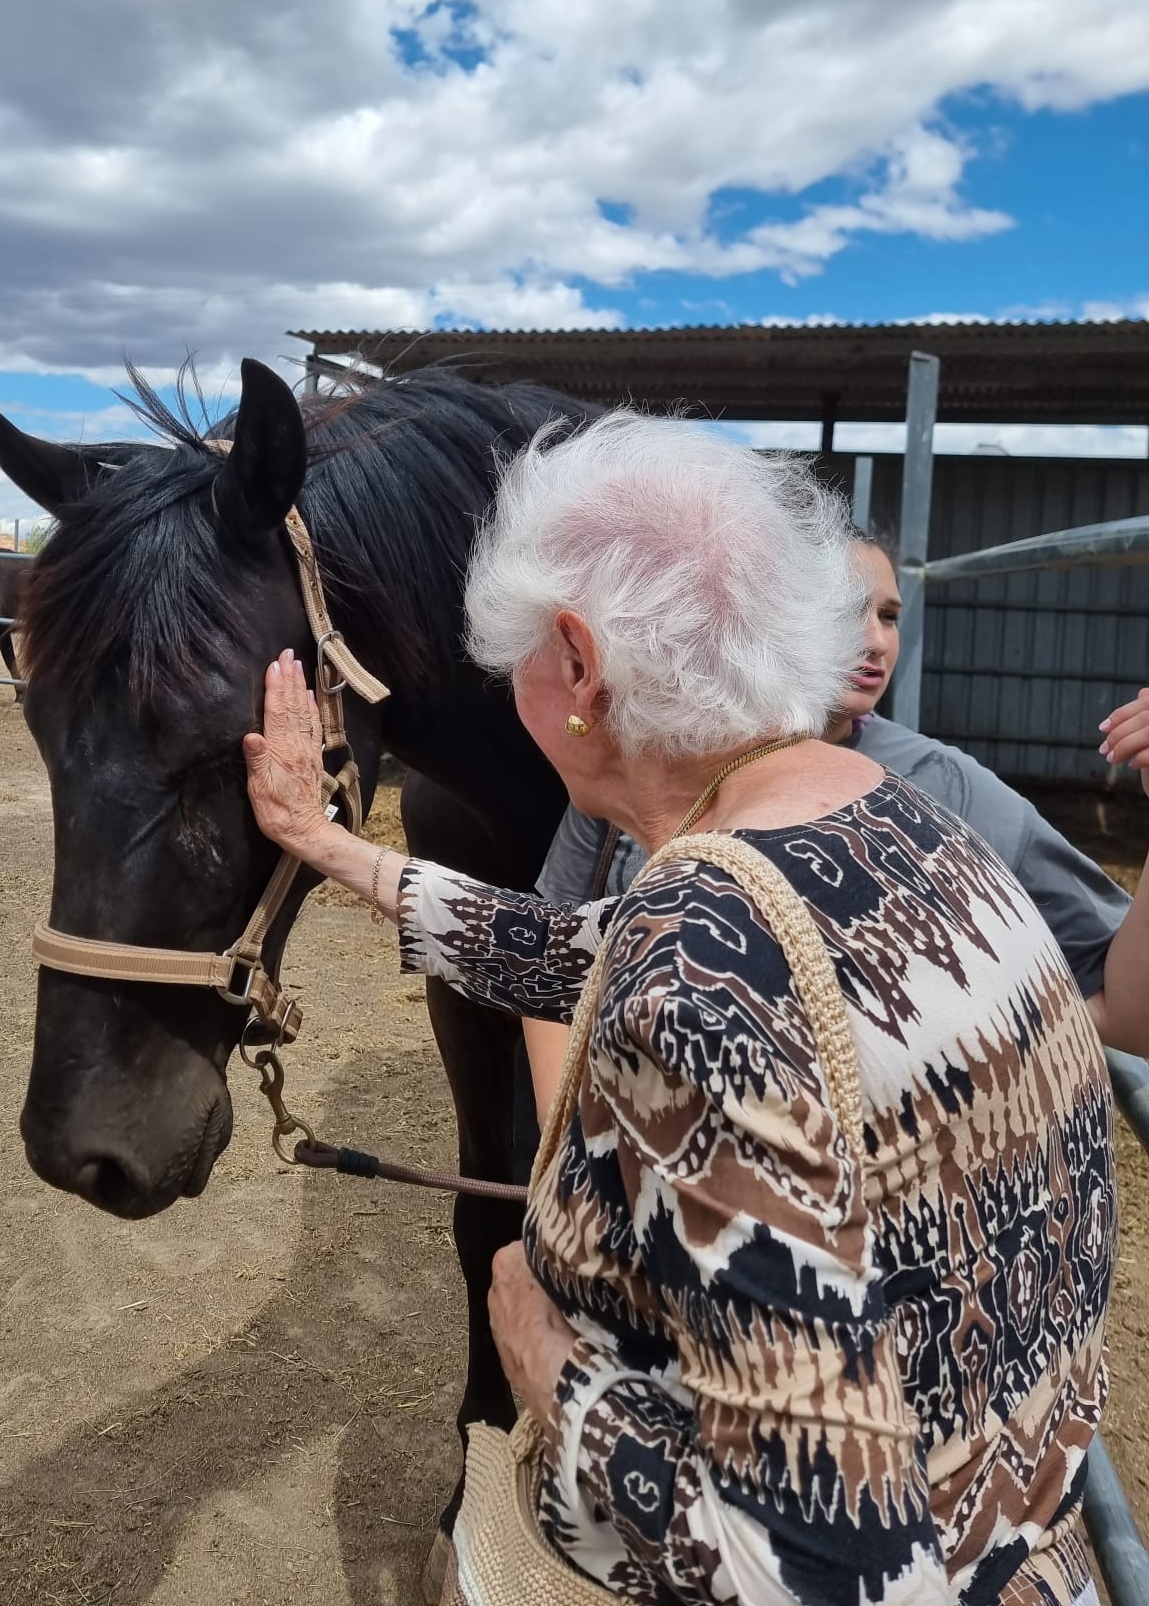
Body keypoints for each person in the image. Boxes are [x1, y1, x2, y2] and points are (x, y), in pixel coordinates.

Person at [243, 414, 1114, 1606]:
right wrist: (330, 845)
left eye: (518, 669)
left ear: (580, 663)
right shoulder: (892, 830)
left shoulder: (700, 966)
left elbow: (819, 1572)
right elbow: (574, 948)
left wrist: (557, 1377)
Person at [524, 532, 1142, 1119]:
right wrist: (567, 1158)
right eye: (846, 608)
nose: (875, 640)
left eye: (890, 615)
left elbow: (1129, 1013)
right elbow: (556, 960)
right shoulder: (641, 756)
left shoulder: (946, 788)